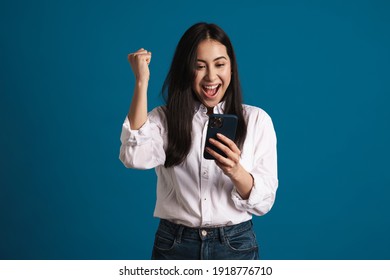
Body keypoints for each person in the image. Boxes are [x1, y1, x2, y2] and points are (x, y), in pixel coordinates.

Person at [119, 22, 278, 260]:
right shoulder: (164, 119)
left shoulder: (257, 120)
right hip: (175, 244)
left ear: (231, 68)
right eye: (199, 66)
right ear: (186, 69)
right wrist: (141, 81)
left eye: (220, 64)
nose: (211, 77)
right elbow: (134, 158)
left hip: (234, 245)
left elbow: (263, 203)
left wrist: (235, 170)